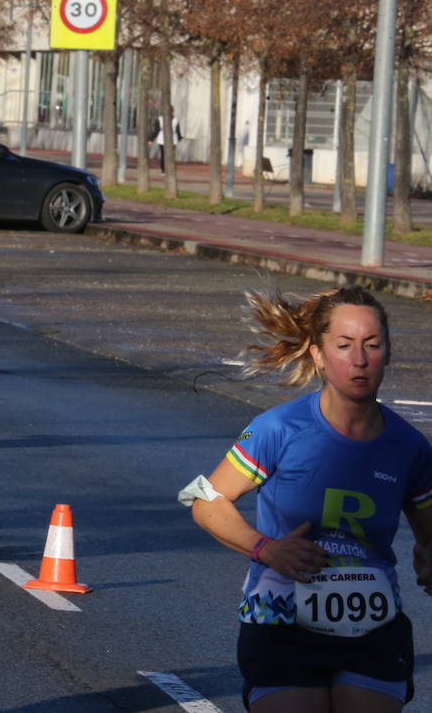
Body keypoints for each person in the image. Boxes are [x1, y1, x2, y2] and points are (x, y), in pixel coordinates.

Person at [184, 286, 432, 713]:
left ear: (388, 354)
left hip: (374, 626)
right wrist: (267, 549)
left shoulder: (411, 447)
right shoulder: (276, 428)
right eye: (344, 345)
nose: (359, 359)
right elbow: (204, 500)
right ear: (318, 355)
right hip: (281, 620)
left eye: (372, 346)